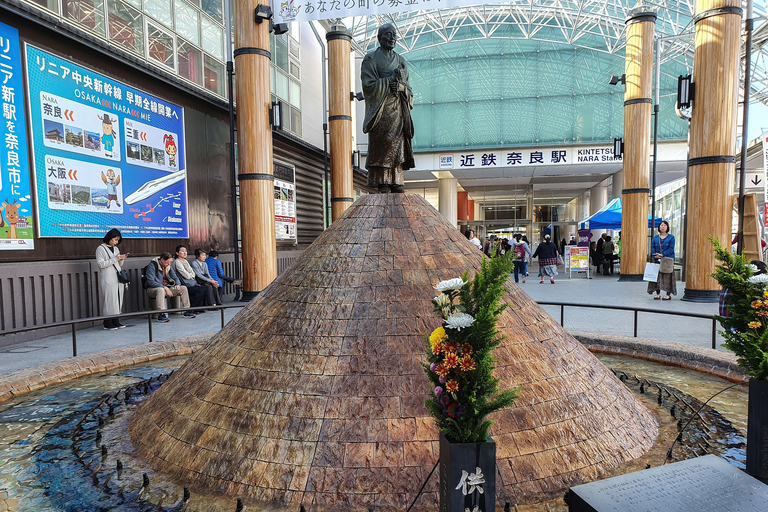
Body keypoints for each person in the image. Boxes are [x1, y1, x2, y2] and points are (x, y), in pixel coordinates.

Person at [361, 23, 414, 193]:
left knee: (397, 145)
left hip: (397, 110)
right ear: (379, 38)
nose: (392, 38)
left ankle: (396, 180)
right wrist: (388, 81)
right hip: (380, 109)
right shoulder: (371, 59)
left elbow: (408, 89)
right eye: (388, 34)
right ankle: (382, 181)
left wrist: (401, 88)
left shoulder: (401, 61)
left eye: (394, 35)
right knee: (382, 145)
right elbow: (368, 85)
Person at [144, 252, 196, 322]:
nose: (169, 264)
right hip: (153, 289)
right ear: (162, 260)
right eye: (167, 262)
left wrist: (177, 284)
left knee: (183, 288)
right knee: (161, 290)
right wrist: (164, 287)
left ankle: (186, 310)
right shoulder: (152, 265)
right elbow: (151, 281)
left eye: (170, 262)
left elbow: (175, 277)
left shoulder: (168, 266)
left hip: (167, 287)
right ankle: (161, 314)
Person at [96, 228, 127, 330]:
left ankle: (116, 320)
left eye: (117, 240)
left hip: (117, 276)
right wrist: (116, 258)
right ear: (109, 237)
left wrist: (121, 259)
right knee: (109, 299)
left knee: (118, 298)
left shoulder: (116, 249)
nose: (115, 242)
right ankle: (108, 322)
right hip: (108, 276)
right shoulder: (101, 249)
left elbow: (118, 264)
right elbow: (101, 264)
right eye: (114, 239)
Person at [647, 220, 676, 300]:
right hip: (657, 259)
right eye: (661, 225)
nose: (663, 227)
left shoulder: (671, 237)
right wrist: (655, 255)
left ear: (667, 227)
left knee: (668, 277)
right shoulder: (655, 238)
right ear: (659, 227)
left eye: (664, 225)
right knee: (657, 277)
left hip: (667, 260)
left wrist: (663, 255)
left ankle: (668, 294)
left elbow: (671, 249)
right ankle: (657, 293)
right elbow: (652, 247)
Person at [173, 245, 207, 309]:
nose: (185, 253)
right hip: (184, 283)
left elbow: (192, 272)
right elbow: (185, 274)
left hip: (190, 281)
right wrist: (191, 276)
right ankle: (193, 308)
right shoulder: (177, 262)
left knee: (203, 288)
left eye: (185, 251)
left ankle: (200, 308)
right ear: (177, 253)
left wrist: (191, 275)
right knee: (199, 290)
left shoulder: (185, 261)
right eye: (182, 251)